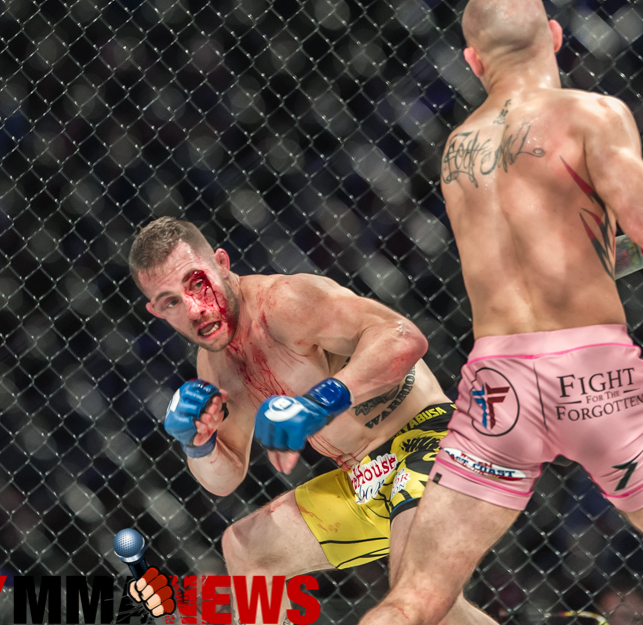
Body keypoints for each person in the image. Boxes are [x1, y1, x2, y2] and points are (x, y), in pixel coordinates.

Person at [354, 0, 643, 625]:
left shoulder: (457, 150)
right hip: (595, 373)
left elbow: (568, 255)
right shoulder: (592, 114)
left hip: (498, 387)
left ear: (472, 60)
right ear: (554, 34)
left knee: (415, 599)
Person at [124, 217, 495, 624]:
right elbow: (223, 480)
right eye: (171, 302)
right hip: (362, 478)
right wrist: (198, 444)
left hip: (430, 442)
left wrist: (320, 402)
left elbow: (403, 338)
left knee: (416, 596)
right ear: (155, 311)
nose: (194, 309)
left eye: (197, 283)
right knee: (248, 548)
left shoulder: (284, 302)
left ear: (222, 264)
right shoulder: (215, 367)